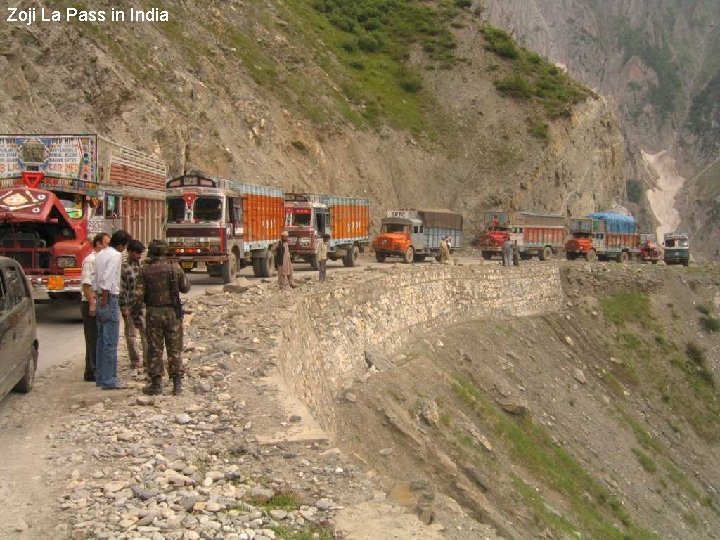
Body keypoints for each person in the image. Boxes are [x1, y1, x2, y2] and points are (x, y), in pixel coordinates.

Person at [135, 240, 191, 396]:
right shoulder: (175, 268)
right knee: (175, 348)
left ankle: (156, 384)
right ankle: (177, 384)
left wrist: (136, 315)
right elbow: (186, 288)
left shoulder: (145, 271)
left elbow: (138, 296)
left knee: (155, 349)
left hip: (153, 313)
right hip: (173, 313)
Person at [93, 229, 131, 390]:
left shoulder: (100, 254)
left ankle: (100, 377)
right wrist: (106, 301)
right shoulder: (116, 255)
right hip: (109, 298)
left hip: (100, 296)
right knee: (110, 342)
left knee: (101, 340)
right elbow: (108, 279)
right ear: (122, 245)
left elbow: (96, 279)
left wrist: (99, 298)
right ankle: (109, 380)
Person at [80, 232, 110, 381]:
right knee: (92, 337)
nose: (108, 247)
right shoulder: (90, 260)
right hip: (89, 303)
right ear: (98, 244)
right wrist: (92, 304)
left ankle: (97, 368)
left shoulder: (101, 260)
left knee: (100, 336)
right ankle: (91, 371)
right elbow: (86, 285)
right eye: (106, 243)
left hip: (98, 302)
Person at [120, 239, 146, 370]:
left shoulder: (143, 266)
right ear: (129, 251)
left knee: (146, 333)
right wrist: (123, 307)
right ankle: (135, 361)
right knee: (131, 335)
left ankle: (147, 360)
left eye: (140, 253)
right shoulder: (124, 267)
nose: (139, 256)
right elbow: (122, 289)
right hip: (130, 305)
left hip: (143, 306)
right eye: (137, 253)